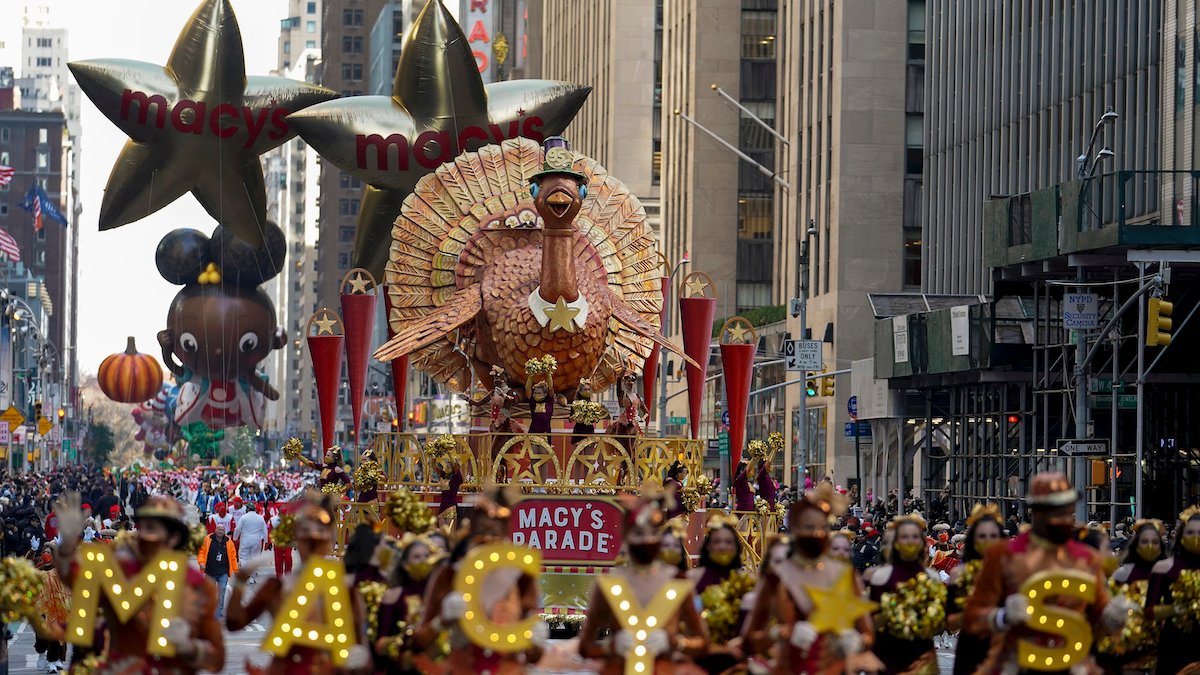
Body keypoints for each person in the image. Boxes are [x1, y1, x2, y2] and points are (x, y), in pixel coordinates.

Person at [965, 472, 1127, 674]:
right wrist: (1002, 616)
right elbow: (972, 618)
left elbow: (1099, 615)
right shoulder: (1003, 555)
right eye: (1055, 511)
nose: (1064, 519)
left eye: (1067, 511)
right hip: (1017, 664)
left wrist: (1112, 617)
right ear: (1037, 512)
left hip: (1073, 665)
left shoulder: (1088, 559)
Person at [53, 493, 225, 673]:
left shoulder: (198, 585)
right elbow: (77, 579)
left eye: (150, 529)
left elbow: (217, 658)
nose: (142, 536)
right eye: (141, 527)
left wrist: (190, 647)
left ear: (173, 537)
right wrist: (67, 546)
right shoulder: (120, 568)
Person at [225, 491, 370, 673]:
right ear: (295, 538)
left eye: (321, 532)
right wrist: (241, 580)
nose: (313, 539)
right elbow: (234, 623)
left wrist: (358, 658)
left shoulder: (345, 587)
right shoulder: (276, 587)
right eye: (305, 533)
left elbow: (361, 649)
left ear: (330, 537)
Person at [743, 484, 879, 674]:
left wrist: (856, 642)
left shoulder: (844, 574)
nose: (816, 533)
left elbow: (867, 633)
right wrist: (780, 633)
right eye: (809, 527)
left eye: (822, 527)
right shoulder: (777, 575)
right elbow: (749, 639)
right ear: (796, 529)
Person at [414, 485, 546, 673]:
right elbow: (418, 643)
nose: (489, 538)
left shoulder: (521, 577)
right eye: (483, 530)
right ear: (473, 530)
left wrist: (535, 639)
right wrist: (441, 620)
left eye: (496, 532)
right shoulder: (450, 574)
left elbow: (534, 656)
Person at [578, 491, 708, 674]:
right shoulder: (609, 582)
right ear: (626, 535)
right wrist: (611, 646)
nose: (647, 540)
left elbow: (702, 642)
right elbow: (585, 647)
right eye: (639, 533)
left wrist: (675, 642)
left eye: (653, 532)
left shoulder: (676, 579)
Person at [866, 513, 941, 674]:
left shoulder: (932, 577)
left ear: (922, 542)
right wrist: (894, 609)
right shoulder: (881, 576)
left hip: (923, 659)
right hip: (889, 655)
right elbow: (872, 622)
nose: (910, 541)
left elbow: (940, 624)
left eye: (915, 537)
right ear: (897, 542)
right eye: (904, 537)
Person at [370, 535, 440, 674]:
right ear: (405, 564)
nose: (423, 560)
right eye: (417, 557)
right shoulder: (393, 595)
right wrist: (403, 641)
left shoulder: (438, 596)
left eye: (427, 556)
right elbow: (380, 645)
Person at [948, 503, 1002, 675]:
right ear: (973, 539)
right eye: (982, 536)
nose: (988, 541)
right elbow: (950, 622)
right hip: (970, 650)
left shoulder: (1011, 572)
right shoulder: (959, 574)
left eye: (993, 536)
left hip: (1002, 650)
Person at [1147, 507, 1200, 674]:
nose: (1196, 538)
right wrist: (1175, 609)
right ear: (1181, 536)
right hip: (1174, 647)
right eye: (1190, 533)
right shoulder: (1163, 568)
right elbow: (1149, 611)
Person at [687, 514, 745, 593]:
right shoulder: (692, 577)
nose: (722, 547)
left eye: (728, 542)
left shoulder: (746, 580)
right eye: (717, 541)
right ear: (708, 546)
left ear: (736, 547)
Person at [33, 546, 69, 673]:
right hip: (40, 608)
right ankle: (41, 653)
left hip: (56, 607)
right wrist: (32, 551)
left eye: (49, 552)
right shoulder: (37, 569)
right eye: (44, 552)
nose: (46, 554)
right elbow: (26, 566)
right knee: (41, 637)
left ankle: (52, 662)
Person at [199, 523, 239, 619]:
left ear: (224, 531)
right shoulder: (208, 539)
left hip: (223, 572)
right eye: (219, 529)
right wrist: (201, 563)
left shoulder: (229, 542)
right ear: (215, 530)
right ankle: (210, 609)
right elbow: (201, 552)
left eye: (222, 530)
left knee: (222, 591)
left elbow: (233, 557)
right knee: (210, 593)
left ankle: (218, 611)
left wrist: (236, 571)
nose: (220, 531)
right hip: (210, 571)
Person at [235, 502, 268, 582]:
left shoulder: (243, 517)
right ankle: (252, 578)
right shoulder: (260, 518)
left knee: (243, 557)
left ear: (247, 509)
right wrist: (266, 541)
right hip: (256, 540)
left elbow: (238, 529)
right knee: (254, 558)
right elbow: (265, 530)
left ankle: (245, 576)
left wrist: (235, 537)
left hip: (245, 539)